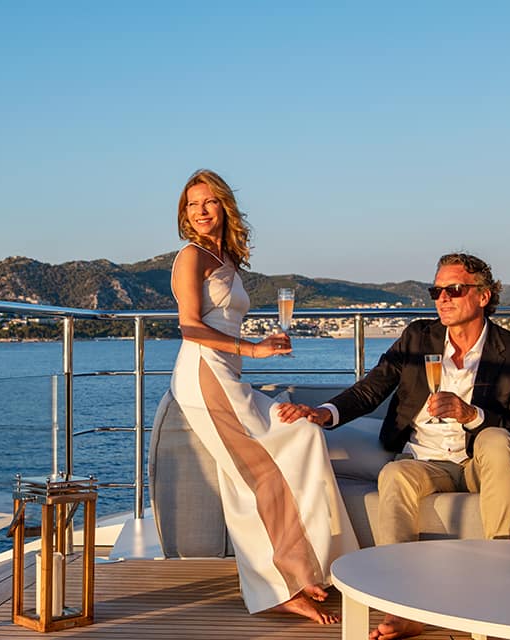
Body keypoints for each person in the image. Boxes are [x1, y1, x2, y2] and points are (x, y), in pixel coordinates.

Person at [278, 252, 510, 640]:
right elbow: (371, 388)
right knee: (395, 474)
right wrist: (324, 412)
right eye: (436, 291)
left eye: (454, 289)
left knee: (496, 438)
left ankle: (500, 593)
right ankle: (402, 607)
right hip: (428, 462)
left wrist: (471, 414)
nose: (443, 299)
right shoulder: (418, 338)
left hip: (481, 462)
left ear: (483, 296)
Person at [167, 168, 359, 624]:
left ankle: (311, 568)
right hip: (204, 378)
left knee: (303, 434)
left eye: (209, 202)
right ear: (184, 214)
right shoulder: (190, 257)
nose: (200, 211)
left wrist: (265, 341)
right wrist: (253, 348)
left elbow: (223, 319)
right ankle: (282, 585)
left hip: (227, 376)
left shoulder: (226, 257)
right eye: (192, 204)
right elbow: (190, 327)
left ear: (224, 206)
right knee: (258, 477)